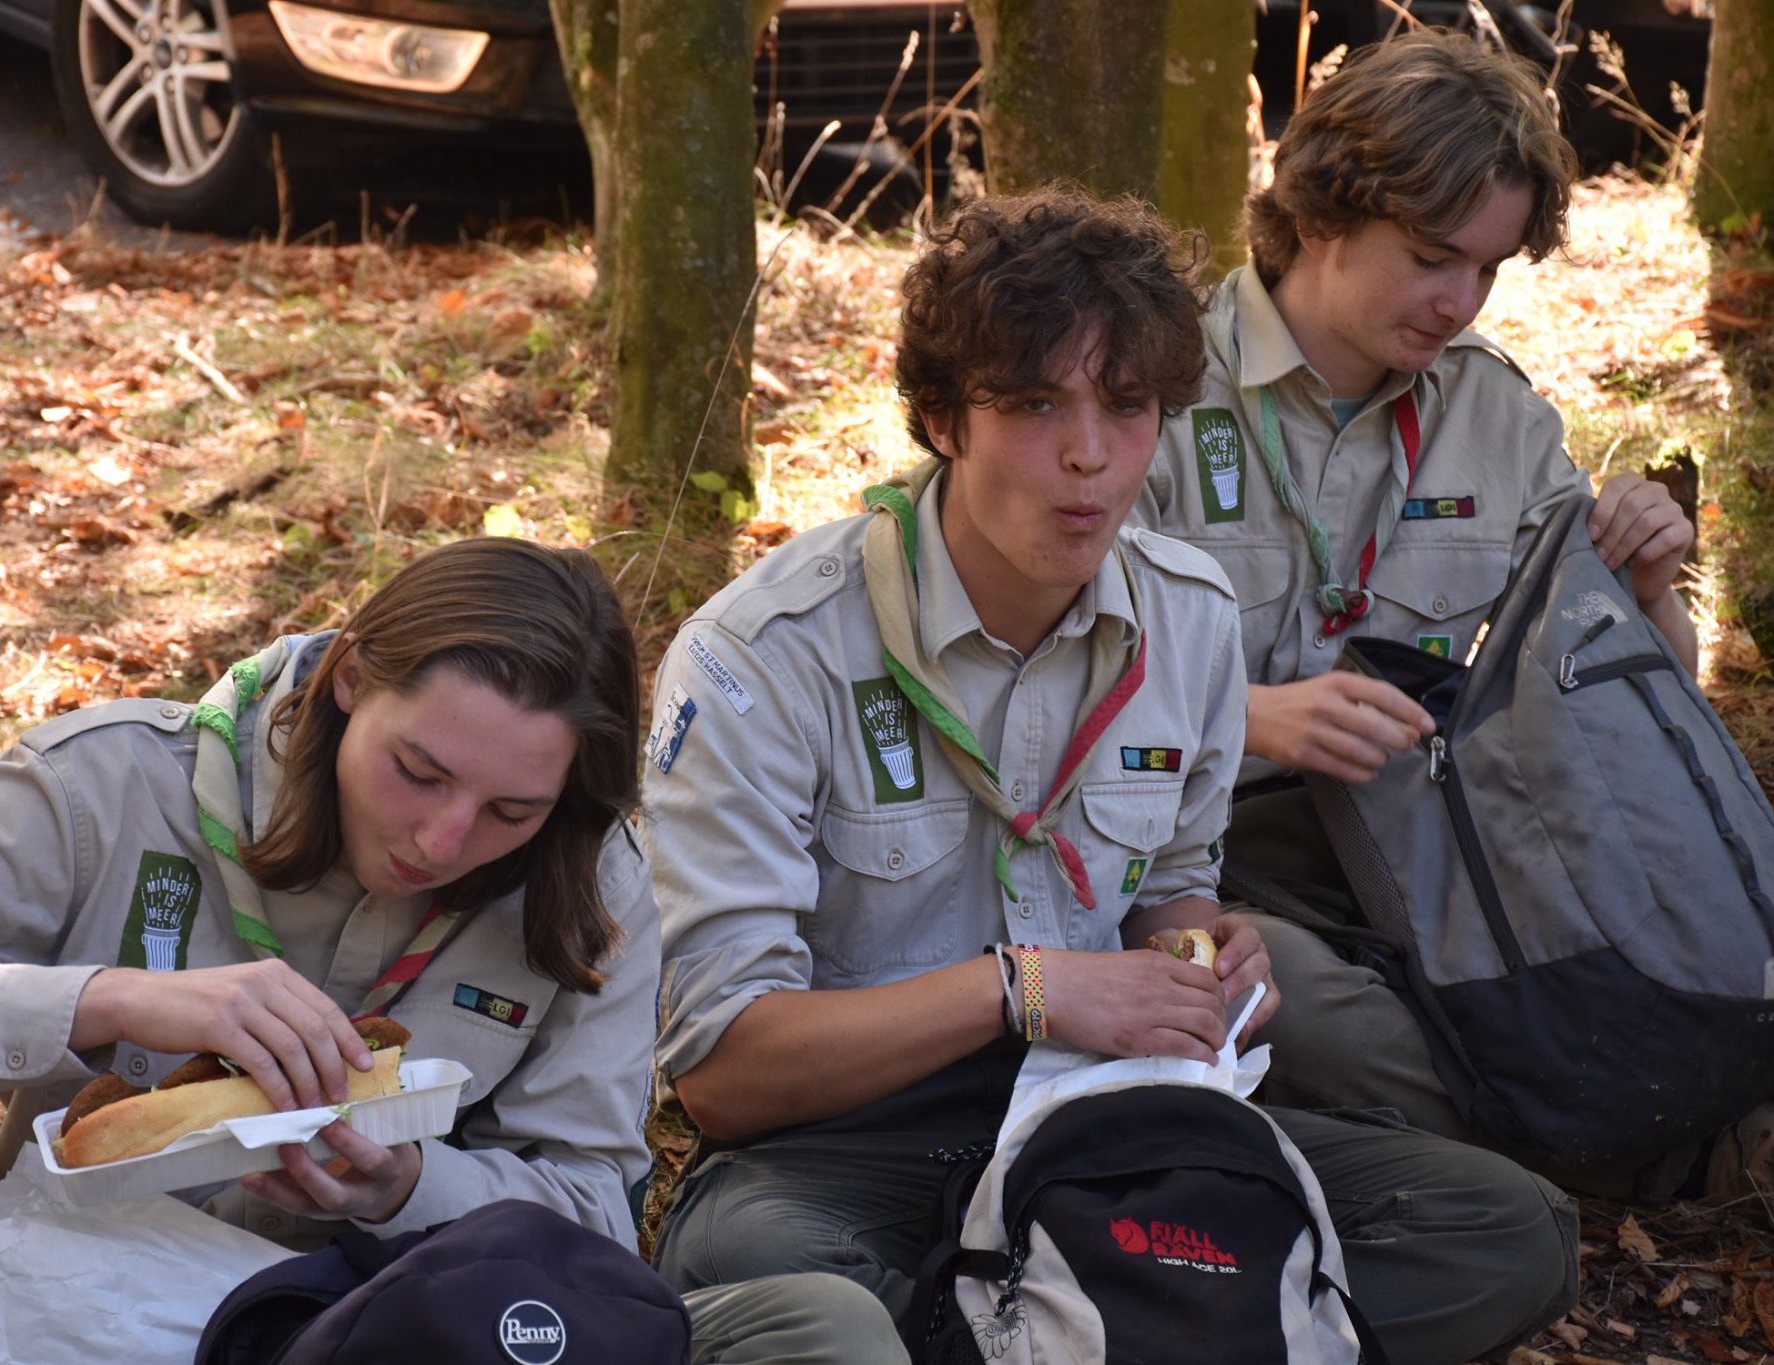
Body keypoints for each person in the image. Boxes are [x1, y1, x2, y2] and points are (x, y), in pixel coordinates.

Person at [641, 187, 1577, 1365]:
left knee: (1504, 1228)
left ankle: (1074, 1324)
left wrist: (1201, 959)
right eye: (1034, 405)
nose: (1089, 455)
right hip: (840, 1150)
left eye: (1127, 407)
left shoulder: (1184, 617)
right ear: (941, 418)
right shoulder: (759, 658)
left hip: (1102, 1126)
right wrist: (1024, 988)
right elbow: (724, 1075)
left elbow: (1170, 891)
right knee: (777, 1285)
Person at [0, 537, 904, 1364]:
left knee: (819, 1327)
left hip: (401, 1322)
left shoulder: (589, 884)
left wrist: (405, 1188)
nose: (444, 841)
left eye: (510, 812)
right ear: (348, 682)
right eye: (418, 773)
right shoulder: (104, 787)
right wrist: (110, 999)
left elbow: (592, 1206)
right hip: (93, 1306)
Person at [1126, 29, 1742, 1198]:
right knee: (1303, 1017)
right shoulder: (1145, 390)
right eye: (1427, 258)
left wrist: (1650, 588)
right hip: (1190, 850)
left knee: (1676, 951)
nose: (1457, 301)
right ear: (1316, 216)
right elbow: (1036, 689)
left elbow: (1638, 715)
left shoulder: (1495, 416)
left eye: (1488, 269)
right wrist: (1249, 717)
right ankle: (1633, 1156)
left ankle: (1628, 1131)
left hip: (1438, 834)